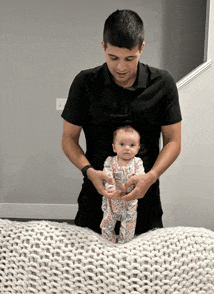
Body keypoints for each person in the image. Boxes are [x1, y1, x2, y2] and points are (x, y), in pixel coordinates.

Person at [61, 9, 182, 235]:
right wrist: (88, 170)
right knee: (91, 268)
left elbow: (174, 141)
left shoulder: (163, 84)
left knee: (144, 269)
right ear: (103, 46)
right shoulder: (85, 82)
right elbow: (68, 139)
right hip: (95, 196)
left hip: (145, 198)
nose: (121, 67)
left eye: (130, 58)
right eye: (113, 57)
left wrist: (151, 177)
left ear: (141, 48)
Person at [100, 126, 145, 244]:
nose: (127, 148)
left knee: (129, 223)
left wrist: (135, 179)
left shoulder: (138, 162)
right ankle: (108, 244)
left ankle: (124, 244)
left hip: (130, 201)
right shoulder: (110, 161)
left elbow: (141, 177)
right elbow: (107, 176)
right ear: (114, 147)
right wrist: (111, 189)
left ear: (138, 149)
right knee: (107, 223)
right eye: (122, 144)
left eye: (132, 145)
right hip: (112, 201)